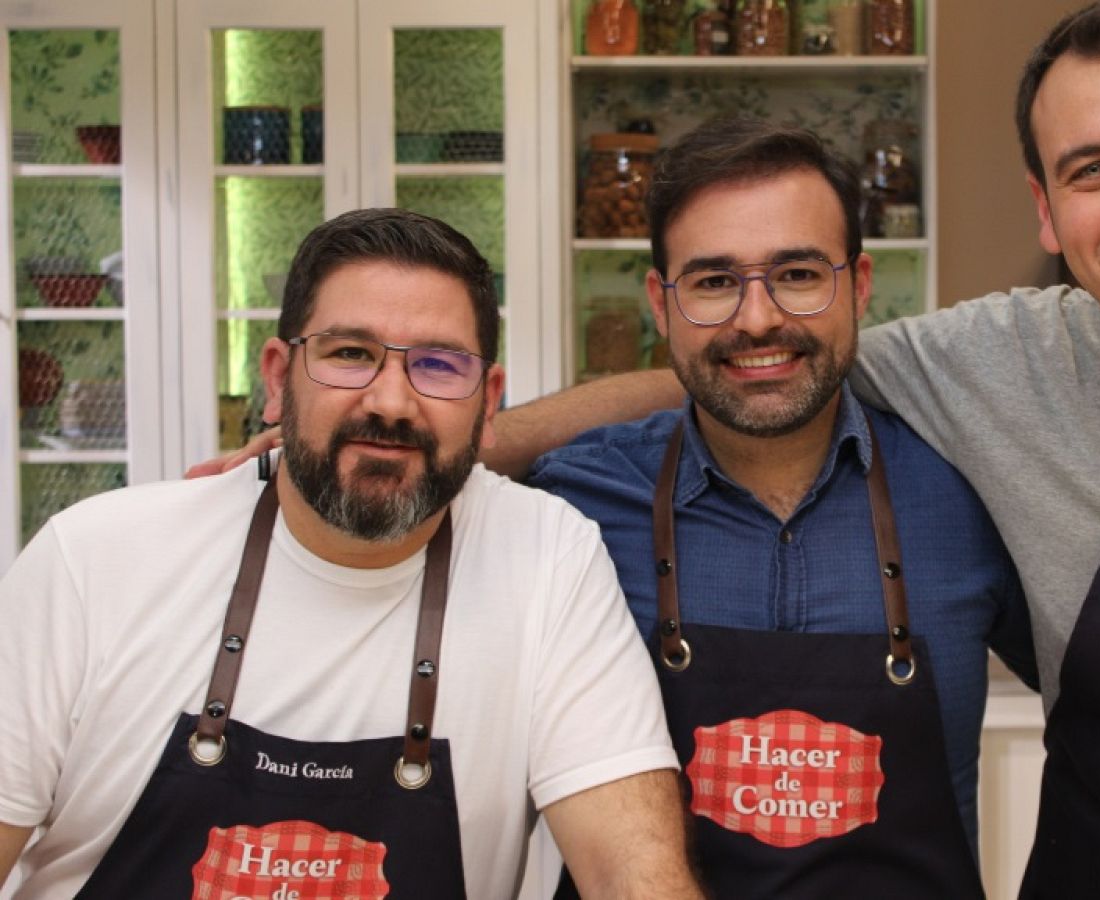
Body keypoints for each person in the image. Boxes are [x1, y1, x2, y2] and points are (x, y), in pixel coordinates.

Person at [190, 2, 1100, 894]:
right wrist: (445, 433)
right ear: (1048, 213)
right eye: (1094, 168)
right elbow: (705, 394)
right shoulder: (577, 508)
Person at [0, 208, 700, 898]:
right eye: (349, 354)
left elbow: (631, 876)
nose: (390, 401)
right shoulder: (93, 560)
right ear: (277, 379)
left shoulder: (547, 558)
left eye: (437, 364)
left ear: (488, 403)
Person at [530, 118, 1034, 898]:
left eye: (798, 274)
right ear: (660, 307)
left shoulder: (975, 493)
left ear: (859, 286)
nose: (757, 318)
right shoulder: (571, 506)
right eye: (713, 281)